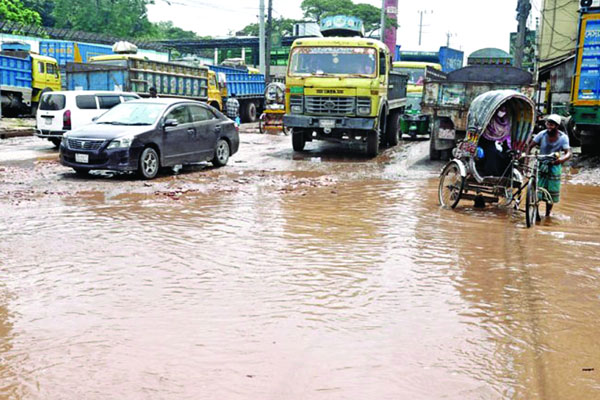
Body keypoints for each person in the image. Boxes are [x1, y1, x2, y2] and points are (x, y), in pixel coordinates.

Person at [528, 114, 572, 218]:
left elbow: (568, 153)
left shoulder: (563, 138)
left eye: (551, 125)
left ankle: (547, 214)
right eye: (548, 124)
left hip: (554, 165)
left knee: (552, 191)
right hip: (542, 163)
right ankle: (537, 212)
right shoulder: (542, 134)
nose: (549, 127)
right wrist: (526, 158)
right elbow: (529, 146)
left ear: (557, 126)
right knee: (538, 189)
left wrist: (561, 160)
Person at [478, 105, 512, 177]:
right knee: (492, 152)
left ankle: (505, 176)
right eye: (501, 110)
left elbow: (507, 135)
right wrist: (495, 140)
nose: (502, 112)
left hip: (501, 142)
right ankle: (491, 174)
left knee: (509, 154)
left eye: (504, 110)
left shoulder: (506, 122)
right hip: (487, 141)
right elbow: (486, 133)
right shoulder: (490, 120)